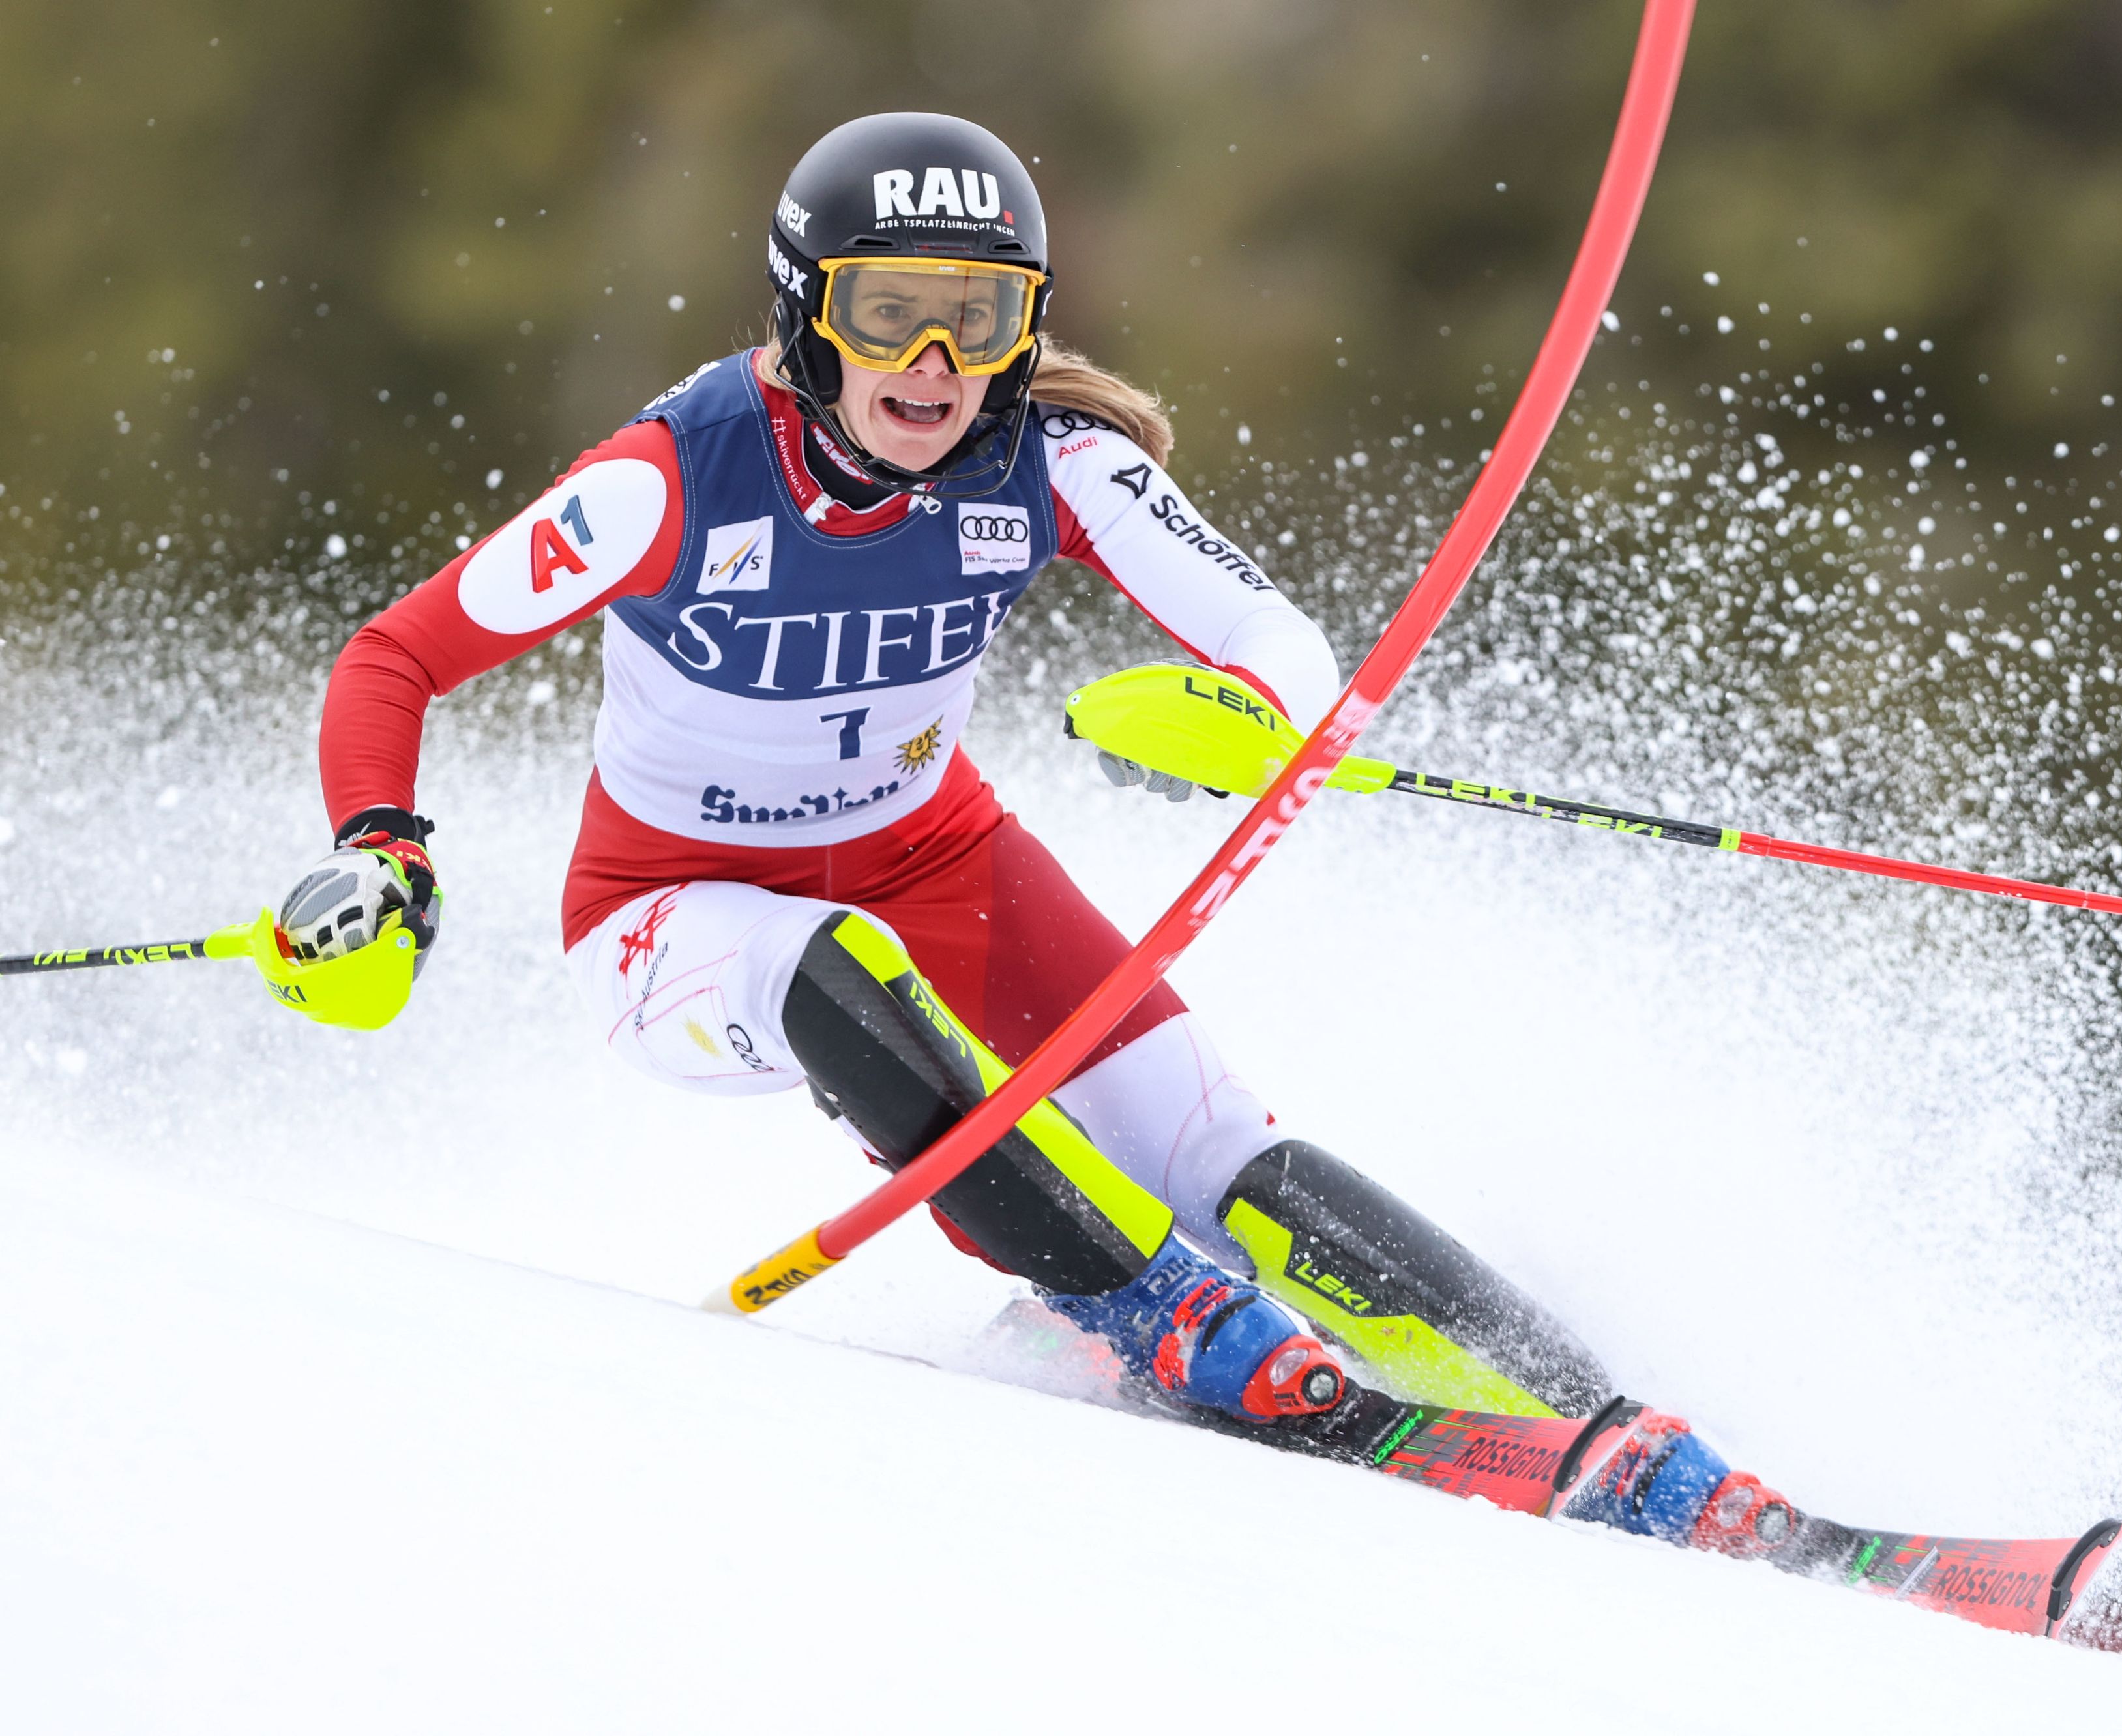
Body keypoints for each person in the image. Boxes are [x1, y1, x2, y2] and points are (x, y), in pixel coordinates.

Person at [291, 111, 1788, 1550]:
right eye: (889, 315)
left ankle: (1601, 1423)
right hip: (669, 917)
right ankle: (1149, 1314)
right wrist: (384, 847)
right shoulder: (669, 479)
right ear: (807, 314)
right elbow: (394, 658)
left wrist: (1236, 718)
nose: (934, 364)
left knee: (1210, 1143)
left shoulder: (1048, 459)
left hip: (941, 856)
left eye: (982, 315)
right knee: (833, 959)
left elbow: (1282, 648)